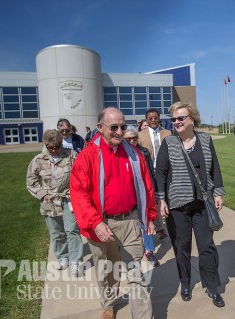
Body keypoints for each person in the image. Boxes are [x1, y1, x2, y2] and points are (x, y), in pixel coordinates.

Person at [70, 107, 156, 319]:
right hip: (101, 224)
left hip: (130, 221)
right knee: (108, 271)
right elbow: (79, 194)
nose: (119, 131)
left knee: (135, 273)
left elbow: (146, 187)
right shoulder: (88, 156)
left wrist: (150, 217)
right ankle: (109, 303)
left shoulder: (133, 153)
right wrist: (96, 223)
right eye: (114, 127)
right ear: (100, 128)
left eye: (123, 126)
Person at [155, 102, 226, 307]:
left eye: (180, 118)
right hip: (178, 207)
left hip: (203, 204)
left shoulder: (204, 139)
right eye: (174, 119)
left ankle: (213, 287)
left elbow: (215, 166)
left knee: (207, 248)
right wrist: (161, 200)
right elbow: (160, 173)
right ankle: (185, 283)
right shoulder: (169, 143)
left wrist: (218, 193)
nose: (176, 122)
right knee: (182, 248)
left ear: (191, 119)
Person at [26, 129, 83, 277]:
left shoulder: (71, 155)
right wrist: (42, 195)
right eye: (50, 147)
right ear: (45, 145)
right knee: (56, 233)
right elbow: (31, 181)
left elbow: (82, 175)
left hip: (68, 199)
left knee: (72, 230)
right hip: (49, 201)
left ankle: (75, 261)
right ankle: (63, 257)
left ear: (61, 144)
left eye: (57, 147)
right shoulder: (38, 160)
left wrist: (78, 193)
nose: (54, 150)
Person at [124, 125, 160, 268]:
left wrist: (154, 191)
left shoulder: (143, 151)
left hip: (144, 194)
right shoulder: (119, 154)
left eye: (134, 138)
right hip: (128, 196)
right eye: (128, 139)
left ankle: (149, 251)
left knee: (147, 223)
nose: (132, 141)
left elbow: (150, 173)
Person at [138, 108, 171, 240]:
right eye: (150, 118)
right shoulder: (140, 135)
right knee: (154, 200)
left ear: (159, 118)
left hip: (166, 171)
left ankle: (171, 221)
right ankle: (160, 228)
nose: (153, 120)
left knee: (167, 197)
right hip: (150, 171)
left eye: (155, 117)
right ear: (146, 120)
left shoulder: (167, 133)